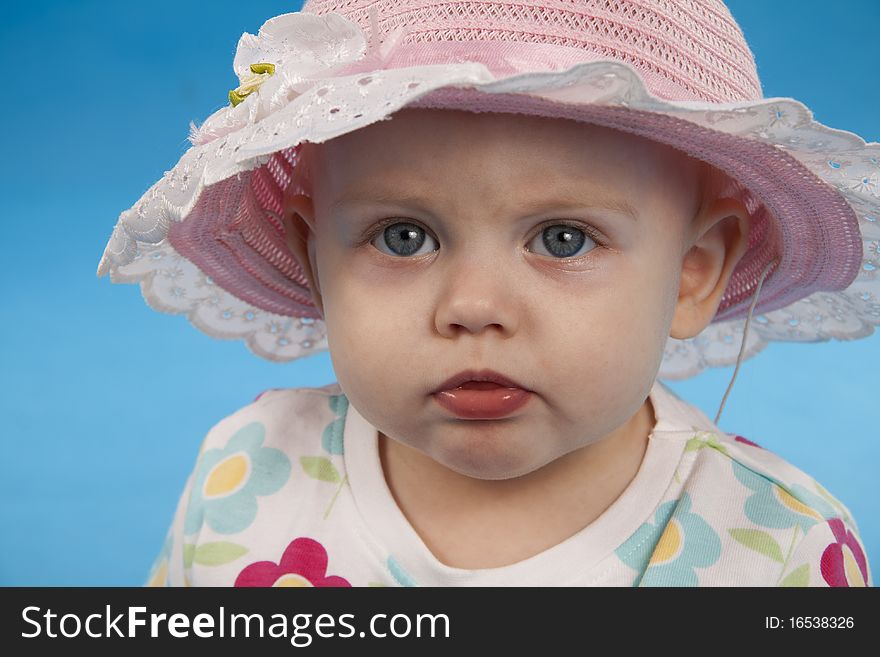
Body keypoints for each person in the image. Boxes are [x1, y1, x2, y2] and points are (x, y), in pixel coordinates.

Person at [97, 0, 876, 586]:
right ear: (314, 255)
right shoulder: (248, 474)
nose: (473, 305)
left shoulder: (777, 548)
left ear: (695, 268)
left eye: (562, 238)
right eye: (403, 236)